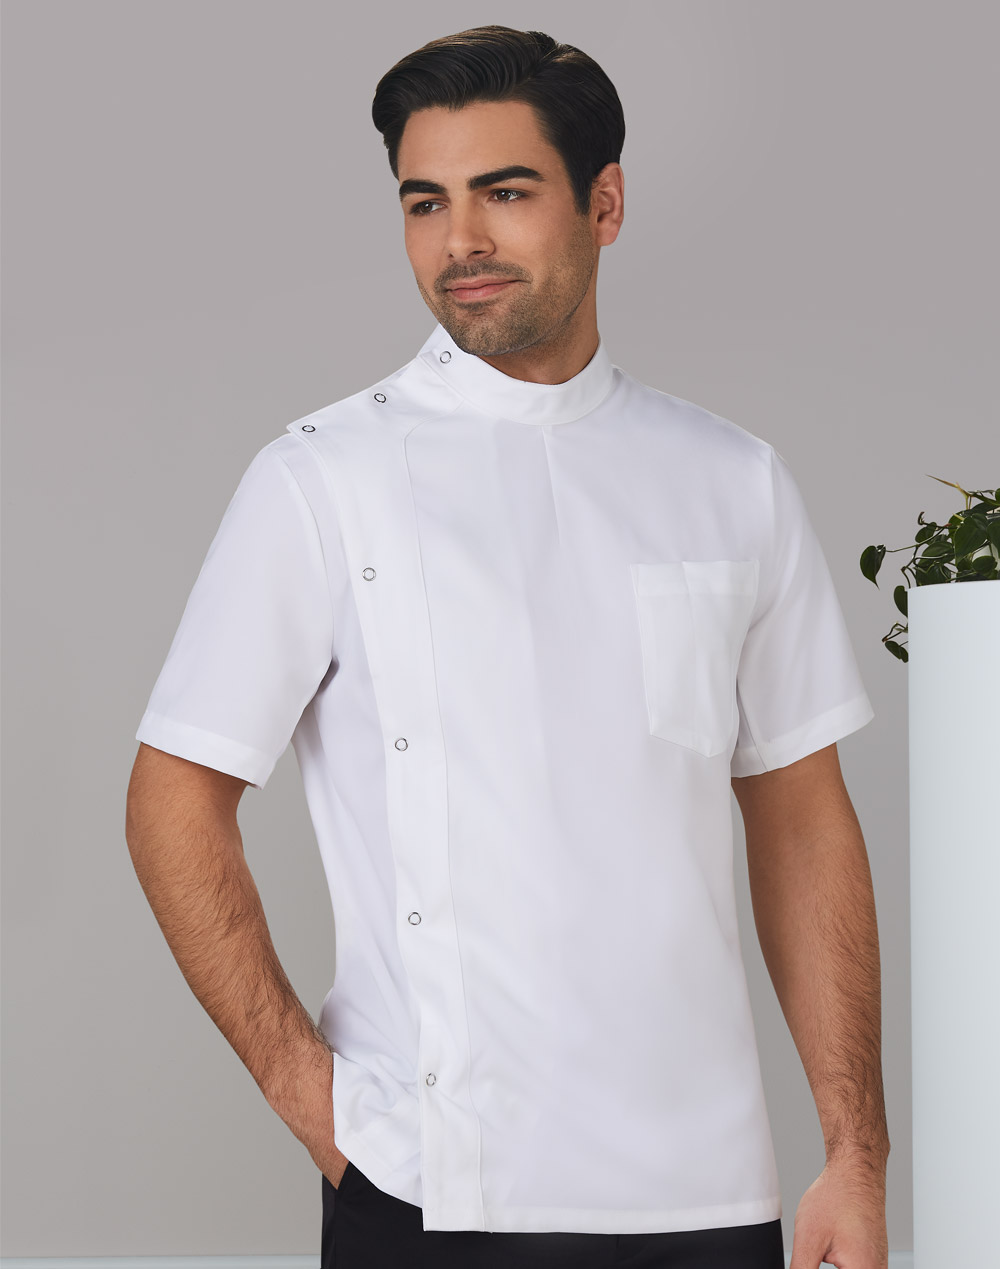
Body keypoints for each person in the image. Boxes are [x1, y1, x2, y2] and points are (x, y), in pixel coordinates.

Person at [125, 23, 890, 1269]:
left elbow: (804, 822)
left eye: (506, 192)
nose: (460, 242)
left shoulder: (731, 481)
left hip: (708, 1194)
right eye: (424, 203)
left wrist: (853, 1157)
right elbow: (172, 796)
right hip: (434, 1194)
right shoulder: (324, 480)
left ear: (606, 204)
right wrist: (319, 1108)